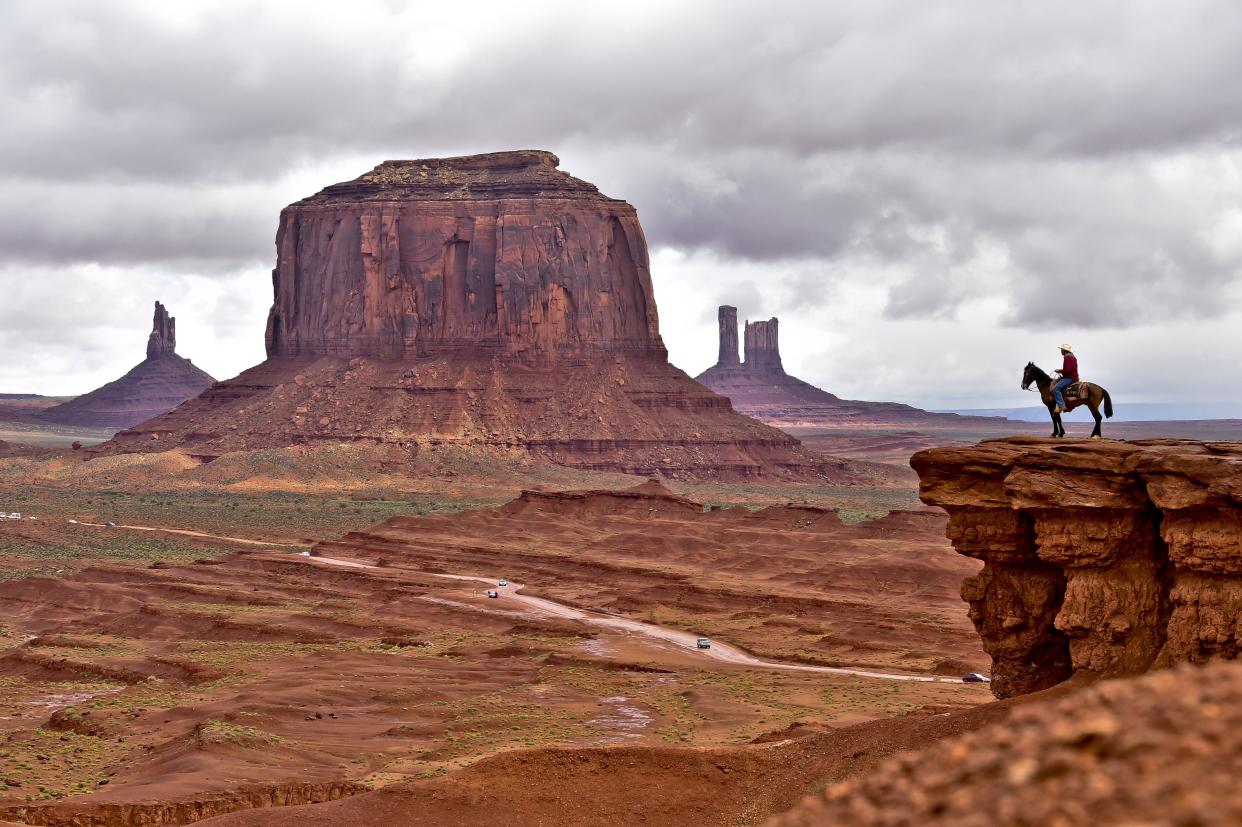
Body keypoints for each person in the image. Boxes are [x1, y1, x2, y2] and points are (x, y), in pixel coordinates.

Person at [1053, 344, 1078, 413]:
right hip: (1074, 377)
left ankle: (1062, 406)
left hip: (1070, 378)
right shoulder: (1073, 357)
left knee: (1056, 388)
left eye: (1061, 349)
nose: (1061, 351)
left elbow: (1068, 370)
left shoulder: (1067, 357)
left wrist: (1059, 371)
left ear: (1064, 350)